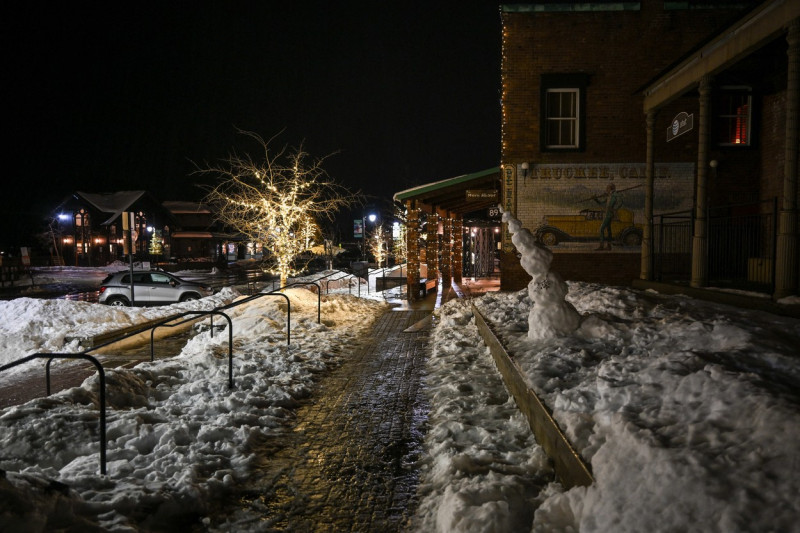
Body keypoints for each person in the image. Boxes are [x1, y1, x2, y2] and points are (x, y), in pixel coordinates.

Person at [594, 183, 622, 250]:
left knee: (601, 229)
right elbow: (601, 203)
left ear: (611, 188)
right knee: (609, 230)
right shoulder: (609, 196)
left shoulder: (615, 195)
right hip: (607, 213)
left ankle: (601, 246)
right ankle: (609, 246)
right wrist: (595, 199)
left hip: (609, 214)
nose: (606, 189)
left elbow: (620, 202)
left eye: (607, 188)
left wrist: (614, 209)